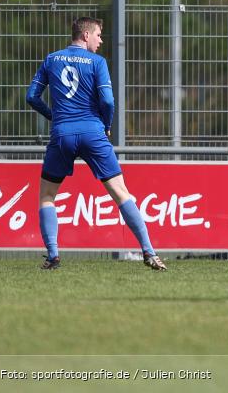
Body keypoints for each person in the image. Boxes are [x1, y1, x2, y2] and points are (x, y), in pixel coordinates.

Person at [26, 17, 166, 271]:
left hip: (62, 133)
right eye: (99, 35)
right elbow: (109, 101)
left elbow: (31, 97)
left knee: (47, 196)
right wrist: (106, 124)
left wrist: (53, 116)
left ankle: (53, 256)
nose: (101, 41)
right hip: (93, 132)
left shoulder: (51, 59)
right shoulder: (97, 63)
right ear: (86, 34)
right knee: (121, 192)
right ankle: (149, 251)